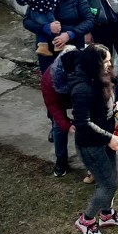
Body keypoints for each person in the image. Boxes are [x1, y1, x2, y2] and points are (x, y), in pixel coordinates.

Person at [71, 44, 118, 234]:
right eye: (105, 61)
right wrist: (109, 138)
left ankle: (106, 215)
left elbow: (107, 106)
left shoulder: (103, 78)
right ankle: (86, 220)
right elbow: (82, 123)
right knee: (108, 184)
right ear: (94, 63)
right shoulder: (82, 88)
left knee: (111, 179)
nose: (109, 65)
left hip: (106, 139)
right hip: (91, 145)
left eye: (109, 60)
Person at [23, 0, 95, 74]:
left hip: (72, 47)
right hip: (47, 48)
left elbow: (89, 20)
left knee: (73, 78)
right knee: (50, 79)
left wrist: (70, 34)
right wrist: (45, 28)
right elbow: (27, 21)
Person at [43, 45, 81, 178]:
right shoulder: (49, 79)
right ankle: (61, 162)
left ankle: (90, 163)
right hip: (60, 99)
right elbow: (53, 106)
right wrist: (67, 125)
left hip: (79, 96)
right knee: (59, 126)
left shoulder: (83, 66)